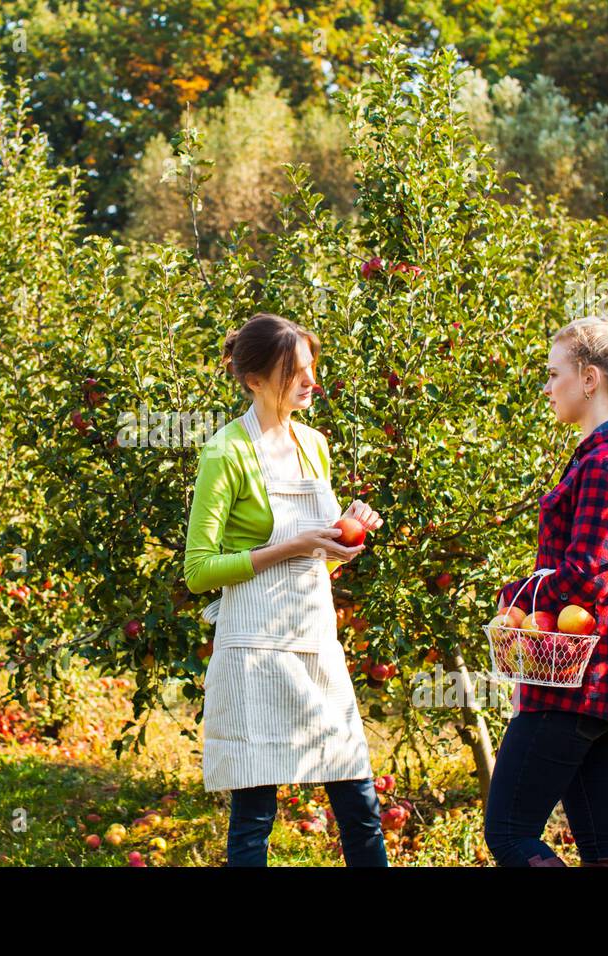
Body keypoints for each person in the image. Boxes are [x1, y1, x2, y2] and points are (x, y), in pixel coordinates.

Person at [184, 312, 388, 867]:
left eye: (311, 369)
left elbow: (310, 566)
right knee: (254, 817)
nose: (308, 381)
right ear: (252, 379)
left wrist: (341, 543)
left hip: (315, 643)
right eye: (293, 371)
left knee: (360, 803)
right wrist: (294, 546)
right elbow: (198, 570)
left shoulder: (314, 444)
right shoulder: (225, 453)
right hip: (254, 650)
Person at [484, 315, 608, 867]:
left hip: (572, 682)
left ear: (589, 378)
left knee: (509, 833)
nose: (547, 387)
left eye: (553, 374)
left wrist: (516, 596)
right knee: (600, 843)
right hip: (602, 684)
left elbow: (589, 574)